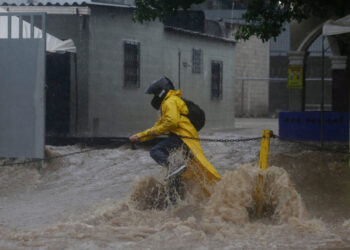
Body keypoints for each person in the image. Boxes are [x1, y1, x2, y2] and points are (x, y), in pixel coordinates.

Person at [129, 77, 221, 198]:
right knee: (180, 174)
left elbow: (172, 122)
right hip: (185, 137)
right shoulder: (168, 103)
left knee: (156, 151)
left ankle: (174, 167)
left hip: (182, 136)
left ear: (161, 92)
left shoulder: (170, 101)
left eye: (154, 94)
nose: (153, 98)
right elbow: (158, 128)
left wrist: (144, 135)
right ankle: (176, 203)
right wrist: (139, 137)